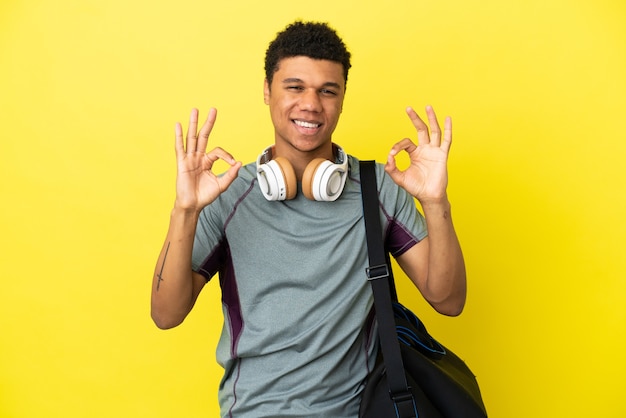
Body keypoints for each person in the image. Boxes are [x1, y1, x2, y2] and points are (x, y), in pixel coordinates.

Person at [151, 20, 466, 418]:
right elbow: (166, 314)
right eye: (295, 87)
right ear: (267, 91)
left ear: (342, 97)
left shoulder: (377, 189)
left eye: (327, 91)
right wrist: (185, 210)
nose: (311, 104)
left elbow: (449, 300)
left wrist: (436, 202)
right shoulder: (227, 193)